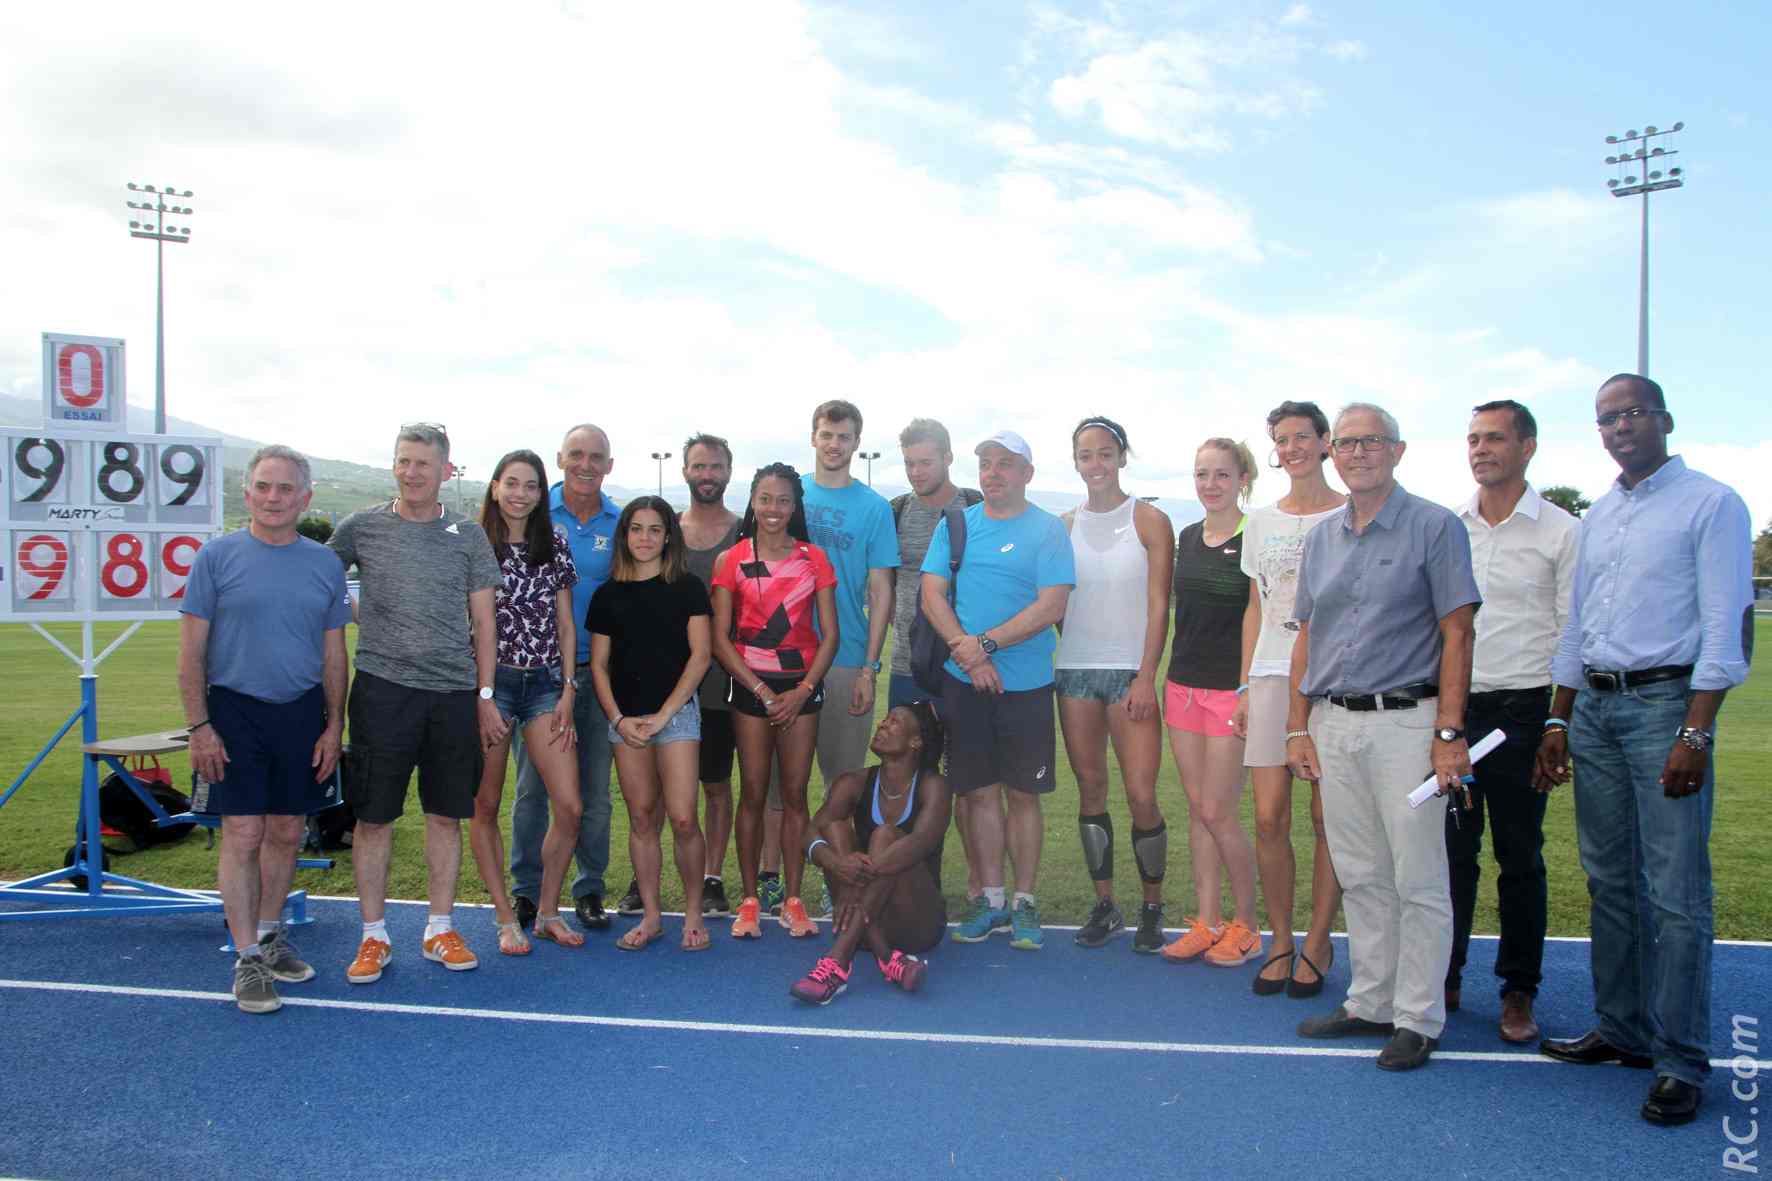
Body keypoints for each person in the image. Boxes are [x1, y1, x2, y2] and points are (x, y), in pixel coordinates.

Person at [1537, 374, 1754, 1126]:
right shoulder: (1597, 516)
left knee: (1676, 893)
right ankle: (1623, 1029)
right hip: (1593, 709)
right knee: (1609, 882)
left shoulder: (1712, 503)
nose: (1619, 426)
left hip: (1666, 706)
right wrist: (1558, 720)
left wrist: (1696, 729)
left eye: (1631, 412)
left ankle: (1679, 1060)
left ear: (1663, 417)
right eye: (1606, 418)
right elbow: (1578, 625)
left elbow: (1726, 626)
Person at [1286, 403, 1479, 1072]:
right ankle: (1371, 998)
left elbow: (1459, 632)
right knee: (1361, 870)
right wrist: (1297, 724)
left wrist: (1449, 732)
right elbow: (1305, 635)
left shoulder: (1435, 526)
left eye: (1371, 441)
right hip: (1333, 722)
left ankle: (1419, 1017)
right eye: (1347, 442)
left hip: (1407, 723)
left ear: (1397, 450)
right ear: (1333, 454)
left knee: (1418, 876)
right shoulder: (1321, 538)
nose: (1358, 452)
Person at [330, 423, 505, 981]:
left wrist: (483, 694)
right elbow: (313, 579)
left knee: (445, 815)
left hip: (452, 694)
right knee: (373, 818)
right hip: (383, 691)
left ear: (445, 470)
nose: (411, 472)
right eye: (403, 461)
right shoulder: (360, 528)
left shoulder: (468, 536)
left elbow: (484, 621)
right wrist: (355, 615)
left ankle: (440, 928)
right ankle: (373, 936)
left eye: (423, 464)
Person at [178, 444, 350, 1013]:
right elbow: (191, 654)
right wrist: (199, 725)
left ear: (305, 497)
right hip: (233, 711)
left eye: (285, 489)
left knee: (285, 832)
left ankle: (272, 937)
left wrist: (332, 726)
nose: (273, 498)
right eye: (263, 487)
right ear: (248, 491)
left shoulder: (324, 564)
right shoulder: (216, 557)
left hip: (300, 712)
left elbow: (333, 656)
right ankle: (247, 956)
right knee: (244, 834)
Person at [1446, 401, 1576, 1041]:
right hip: (1455, 714)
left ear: (1527, 445)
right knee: (1451, 854)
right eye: (1473, 438)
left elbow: (1573, 635)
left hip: (1525, 715)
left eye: (1494, 437)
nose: (1481, 448)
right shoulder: (1450, 529)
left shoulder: (1561, 531)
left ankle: (1518, 990)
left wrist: (1557, 724)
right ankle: (1444, 976)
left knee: (1519, 858)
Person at [920, 429, 1074, 951]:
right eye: (986, 463)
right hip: (965, 683)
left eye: (1005, 464)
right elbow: (931, 594)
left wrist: (982, 644)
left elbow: (1051, 606)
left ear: (1027, 473)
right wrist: (966, 651)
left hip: (1026, 685)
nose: (993, 473)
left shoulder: (1048, 531)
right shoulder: (957, 525)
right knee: (979, 794)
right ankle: (991, 899)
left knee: (1024, 796)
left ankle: (1025, 901)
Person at [1232, 400, 1346, 998]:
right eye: (1283, 439)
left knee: (1327, 819)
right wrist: (1248, 684)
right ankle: (1280, 940)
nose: (1294, 447)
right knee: (1271, 818)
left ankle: (1320, 940)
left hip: (1335, 681)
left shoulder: (1352, 512)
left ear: (1326, 442)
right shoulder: (1263, 522)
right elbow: (1257, 606)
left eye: (1304, 436)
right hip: (1272, 677)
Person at [1053, 416, 1173, 953]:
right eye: (1085, 455)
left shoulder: (1149, 520)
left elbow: (1158, 604)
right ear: (1075, 462)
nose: (1095, 464)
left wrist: (1146, 675)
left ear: (1122, 457)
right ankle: (1105, 904)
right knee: (1091, 789)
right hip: (1074, 671)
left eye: (1105, 454)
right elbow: (1057, 604)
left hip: (1131, 674)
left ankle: (1152, 907)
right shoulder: (1062, 525)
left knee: (1141, 794)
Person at [710, 463, 840, 939]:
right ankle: (749, 899)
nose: (773, 509)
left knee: (794, 798)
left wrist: (801, 690)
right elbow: (721, 639)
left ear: (794, 506)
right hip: (750, 689)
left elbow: (830, 636)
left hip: (802, 690)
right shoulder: (732, 560)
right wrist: (763, 691)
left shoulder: (814, 559)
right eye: (765, 498)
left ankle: (793, 899)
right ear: (753, 500)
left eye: (783, 500)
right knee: (752, 795)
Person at [465, 450, 585, 955]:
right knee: (486, 805)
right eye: (512, 483)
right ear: (494, 488)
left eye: (532, 486)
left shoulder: (553, 543)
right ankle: (504, 916)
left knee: (571, 806)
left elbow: (564, 622)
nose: (521, 493)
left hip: (542, 686)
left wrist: (568, 691)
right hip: (489, 688)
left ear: (541, 493)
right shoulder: (472, 545)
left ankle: (549, 911)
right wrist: (483, 696)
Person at [588, 497, 714, 950]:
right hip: (626, 722)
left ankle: (694, 913)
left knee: (682, 818)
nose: (645, 538)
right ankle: (653, 916)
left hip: (677, 716)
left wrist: (664, 715)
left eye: (654, 529)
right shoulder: (607, 595)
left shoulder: (688, 588)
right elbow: (599, 666)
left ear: (668, 536)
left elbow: (701, 656)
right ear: (624, 535)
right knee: (642, 818)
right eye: (636, 528)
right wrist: (618, 720)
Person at [510, 424, 619, 932]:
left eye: (596, 456)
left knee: (594, 790)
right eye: (576, 454)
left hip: (597, 675)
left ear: (609, 465)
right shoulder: (530, 514)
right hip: (537, 676)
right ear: (559, 459)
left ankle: (589, 888)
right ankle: (526, 891)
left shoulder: (620, 523)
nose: (585, 464)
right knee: (535, 790)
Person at [1160, 438, 1262, 968]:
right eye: (1202, 473)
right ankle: (1207, 921)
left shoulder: (1256, 534)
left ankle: (1246, 924)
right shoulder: (1188, 536)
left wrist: (1246, 687)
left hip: (1229, 691)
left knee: (1219, 811)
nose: (1210, 484)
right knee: (1198, 812)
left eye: (1222, 474)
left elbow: (1256, 613)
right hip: (1181, 687)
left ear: (1242, 478)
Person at [791, 703, 953, 1004]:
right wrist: (838, 864)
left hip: (918, 924)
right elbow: (809, 834)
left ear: (915, 742)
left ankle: (838, 961)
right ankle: (887, 958)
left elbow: (917, 845)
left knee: (886, 836)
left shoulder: (935, 787)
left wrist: (854, 884)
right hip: (867, 924)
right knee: (834, 830)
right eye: (885, 719)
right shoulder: (853, 782)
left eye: (894, 722)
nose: (882, 724)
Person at [679, 433, 742, 917]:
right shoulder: (663, 531)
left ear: (728, 472)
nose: (707, 475)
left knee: (716, 785)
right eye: (699, 466)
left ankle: (714, 877)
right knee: (665, 791)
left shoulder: (744, 535)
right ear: (685, 471)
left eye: (716, 467)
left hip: (723, 683)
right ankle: (648, 880)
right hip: (668, 682)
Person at [887, 418, 982, 710]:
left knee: (963, 756)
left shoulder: (975, 507)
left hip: (965, 663)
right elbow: (883, 586)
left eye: (925, 462)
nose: (915, 472)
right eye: (909, 463)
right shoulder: (896, 510)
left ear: (948, 458)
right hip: (907, 663)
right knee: (906, 754)